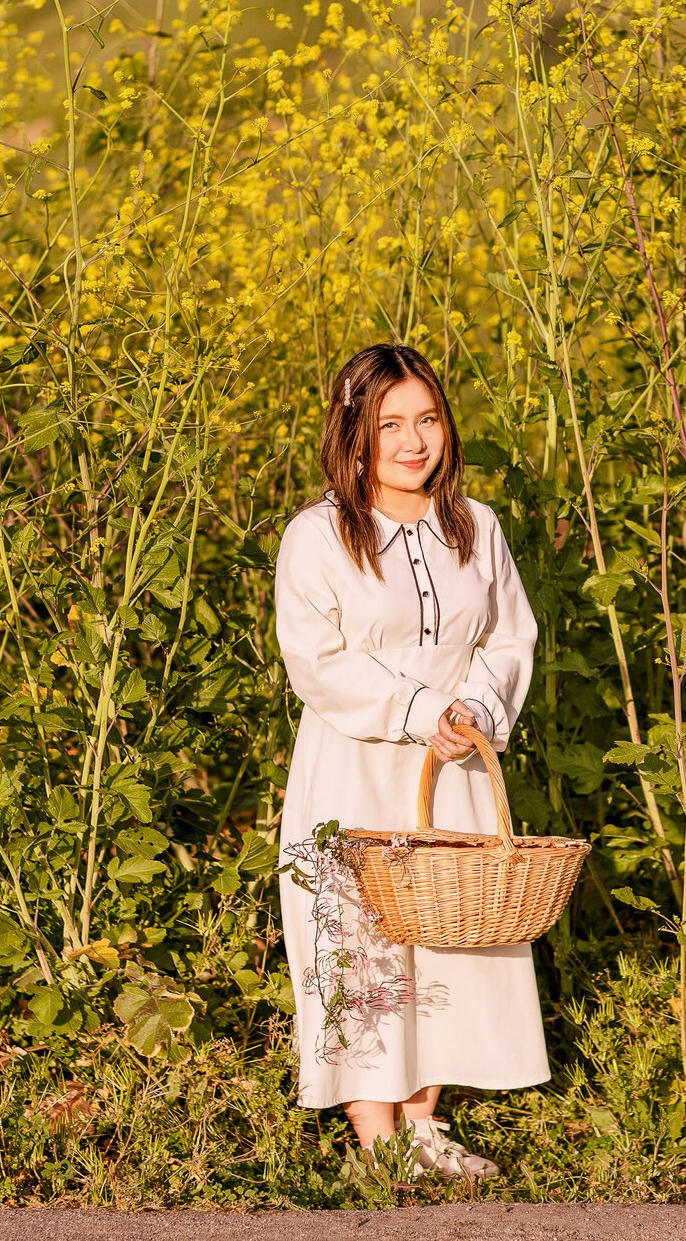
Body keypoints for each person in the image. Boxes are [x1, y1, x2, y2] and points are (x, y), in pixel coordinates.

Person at [273, 342, 546, 1178]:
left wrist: (477, 707)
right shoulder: (318, 536)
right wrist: (422, 708)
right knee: (359, 942)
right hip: (357, 765)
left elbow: (508, 634)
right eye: (391, 424)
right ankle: (376, 1136)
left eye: (427, 419)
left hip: (452, 767)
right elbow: (316, 661)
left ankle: (426, 1123)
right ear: (354, 432)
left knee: (447, 938)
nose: (413, 441)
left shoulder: (477, 526)